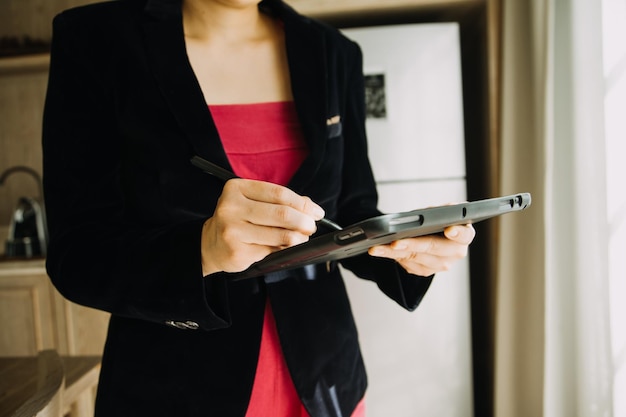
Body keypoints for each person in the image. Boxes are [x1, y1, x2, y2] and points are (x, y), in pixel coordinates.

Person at [42, 0, 476, 416]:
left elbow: (349, 207)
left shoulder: (334, 51)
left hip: (326, 382)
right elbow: (76, 254)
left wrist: (408, 250)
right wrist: (202, 249)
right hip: (175, 388)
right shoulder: (95, 40)